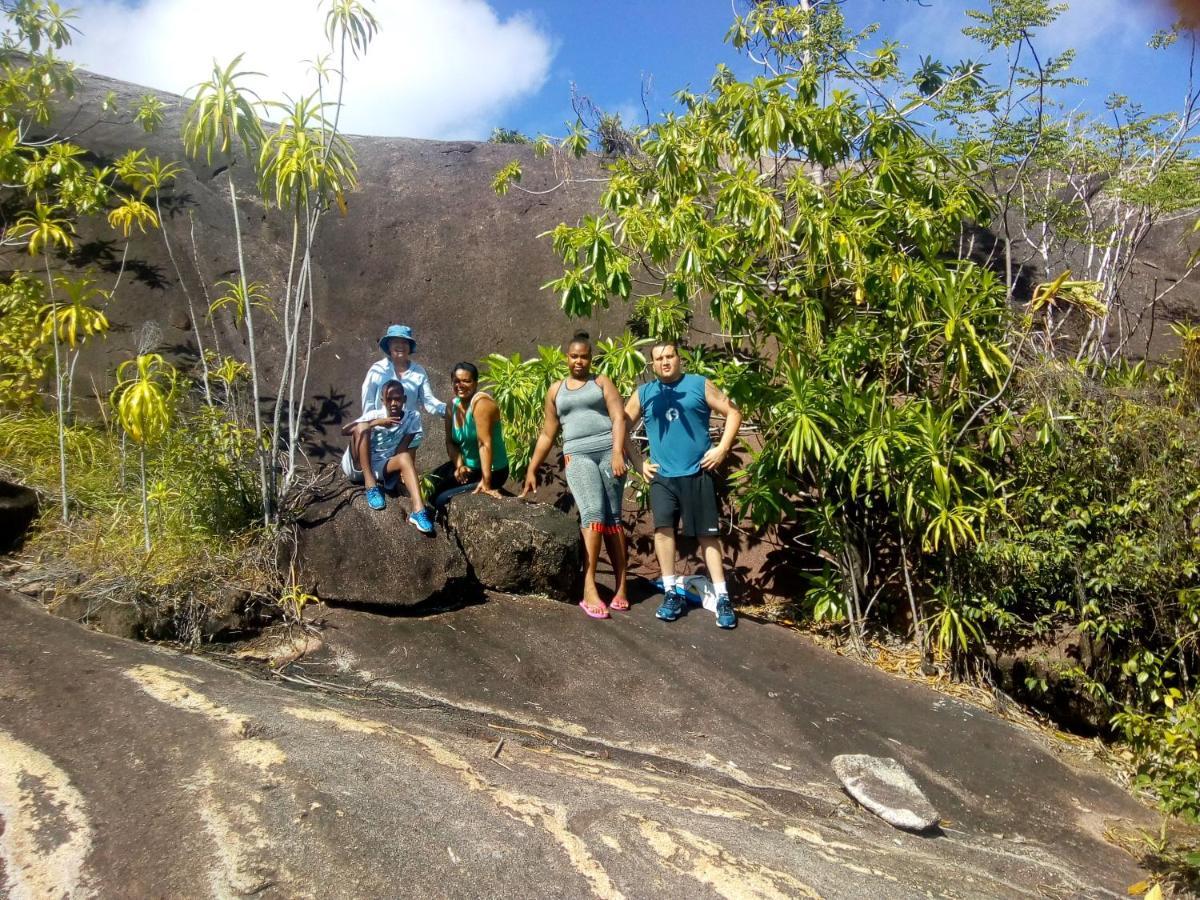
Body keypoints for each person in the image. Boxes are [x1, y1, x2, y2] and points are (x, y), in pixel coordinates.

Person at [624, 341, 742, 628]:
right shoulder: (645, 393)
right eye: (659, 358)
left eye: (669, 356)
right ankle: (671, 592)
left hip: (697, 472)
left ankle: (723, 597)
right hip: (663, 476)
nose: (665, 362)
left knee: (706, 536)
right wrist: (639, 463)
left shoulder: (699, 384)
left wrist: (722, 449)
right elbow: (621, 426)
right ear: (652, 364)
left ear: (679, 359)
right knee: (663, 532)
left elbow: (734, 412)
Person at [522, 332, 629, 620]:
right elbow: (548, 433)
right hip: (577, 455)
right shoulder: (556, 391)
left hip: (608, 452)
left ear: (590, 358)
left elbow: (619, 417)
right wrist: (532, 467)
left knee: (613, 518)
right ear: (566, 357)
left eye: (584, 356)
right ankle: (589, 585)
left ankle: (621, 586)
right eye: (574, 356)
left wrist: (618, 452)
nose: (579, 361)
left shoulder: (601, 382)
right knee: (592, 513)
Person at [340, 379, 436, 533]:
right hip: (357, 465)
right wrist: (377, 422)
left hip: (381, 467)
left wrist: (402, 476)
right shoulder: (375, 414)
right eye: (389, 399)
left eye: (397, 399)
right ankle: (370, 486)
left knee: (404, 457)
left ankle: (418, 511)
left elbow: (403, 448)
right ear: (382, 400)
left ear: (404, 399)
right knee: (363, 426)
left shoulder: (413, 417)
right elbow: (345, 430)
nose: (393, 403)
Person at [426, 362, 510, 508]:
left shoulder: (481, 403)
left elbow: (484, 444)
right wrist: (459, 466)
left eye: (466, 381)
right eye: (457, 381)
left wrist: (487, 482)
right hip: (467, 466)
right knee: (429, 486)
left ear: (476, 383)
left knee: (441, 500)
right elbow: (450, 442)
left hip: (492, 470)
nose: (460, 385)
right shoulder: (451, 406)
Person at [361, 325, 446, 423]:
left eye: (404, 342)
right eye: (396, 342)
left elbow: (428, 401)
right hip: (381, 432)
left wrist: (450, 410)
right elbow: (368, 401)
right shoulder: (377, 370)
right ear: (389, 346)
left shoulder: (418, 371)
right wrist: (370, 426)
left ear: (410, 347)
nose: (400, 345)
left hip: (408, 432)